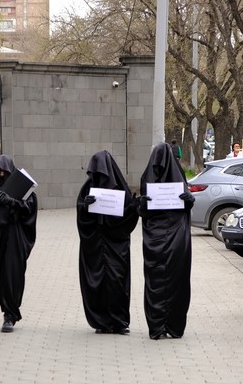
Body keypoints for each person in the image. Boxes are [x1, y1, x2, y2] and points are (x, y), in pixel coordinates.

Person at [76, 151, 139, 334]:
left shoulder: (120, 188)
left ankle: (119, 322)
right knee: (96, 282)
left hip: (116, 245)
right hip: (95, 244)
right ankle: (101, 321)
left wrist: (133, 208)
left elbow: (127, 217)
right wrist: (85, 207)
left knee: (117, 281)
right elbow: (81, 216)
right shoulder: (87, 189)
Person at [138, 142, 195, 339]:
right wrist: (141, 205)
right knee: (155, 280)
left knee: (176, 279)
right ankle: (157, 324)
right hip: (155, 237)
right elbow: (142, 212)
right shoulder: (147, 178)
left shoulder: (178, 179)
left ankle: (174, 324)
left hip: (176, 236)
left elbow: (185, 209)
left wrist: (188, 201)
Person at [0, 155, 38, 333]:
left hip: (15, 238)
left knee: (13, 274)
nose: (2, 175)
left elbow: (29, 208)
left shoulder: (21, 185)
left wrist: (11, 202)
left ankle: (10, 315)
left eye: (6, 172)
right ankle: (6, 309)